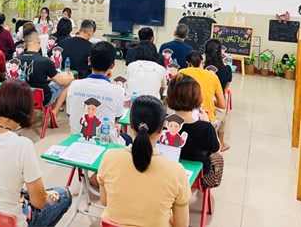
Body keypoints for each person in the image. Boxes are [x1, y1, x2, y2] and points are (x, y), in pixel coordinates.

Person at [0, 79, 72, 227]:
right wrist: (46, 196)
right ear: (27, 110)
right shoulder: (22, 146)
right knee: (64, 195)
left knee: (23, 193)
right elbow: (39, 202)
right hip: (8, 223)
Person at [98, 96, 191, 227]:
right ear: (161, 129)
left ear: (131, 126)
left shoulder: (109, 157)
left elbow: (105, 201)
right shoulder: (176, 171)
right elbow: (181, 224)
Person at [167, 74, 223, 189]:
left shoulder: (163, 124)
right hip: (198, 174)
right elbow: (217, 149)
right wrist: (208, 122)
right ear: (197, 99)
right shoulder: (205, 128)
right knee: (218, 158)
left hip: (169, 170)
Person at [67, 41, 125, 143]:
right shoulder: (118, 90)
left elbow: (70, 114)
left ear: (89, 60)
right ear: (112, 65)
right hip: (106, 142)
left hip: (77, 141)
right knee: (126, 138)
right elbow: (116, 119)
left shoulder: (74, 85)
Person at [18, 30, 73, 118]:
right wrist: (71, 77)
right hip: (43, 99)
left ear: (25, 44)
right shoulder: (44, 61)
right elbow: (62, 82)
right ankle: (55, 110)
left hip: (22, 97)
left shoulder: (17, 59)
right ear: (39, 41)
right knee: (69, 83)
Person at [181, 52, 226, 124]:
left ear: (188, 63)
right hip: (206, 118)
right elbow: (222, 105)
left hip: (183, 117)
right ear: (202, 62)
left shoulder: (181, 73)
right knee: (222, 116)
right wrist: (212, 101)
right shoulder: (213, 76)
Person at [204, 39, 232, 151]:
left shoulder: (201, 68)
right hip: (217, 104)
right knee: (223, 116)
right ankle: (221, 143)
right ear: (221, 52)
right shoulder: (226, 70)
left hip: (200, 103)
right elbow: (226, 87)